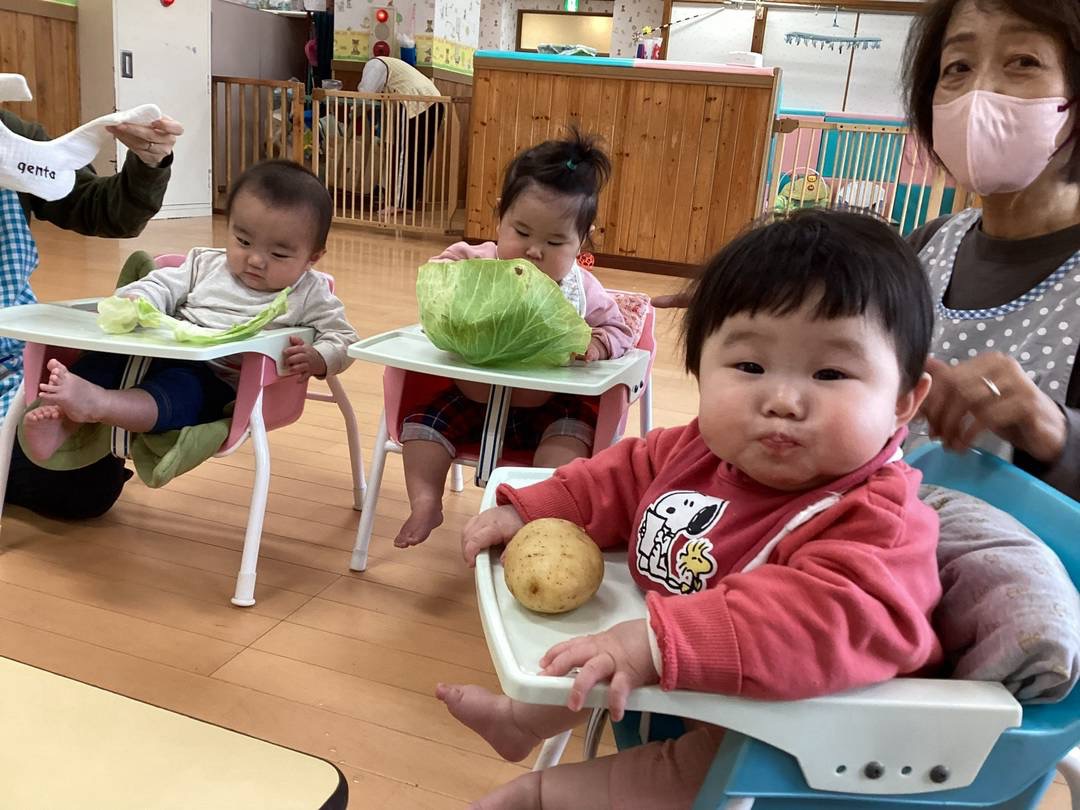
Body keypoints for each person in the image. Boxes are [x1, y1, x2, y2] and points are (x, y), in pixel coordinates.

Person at [437, 209, 943, 810]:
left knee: (688, 770)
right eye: (750, 367)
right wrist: (536, 509)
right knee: (586, 654)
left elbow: (824, 619)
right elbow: (621, 476)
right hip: (697, 687)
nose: (782, 400)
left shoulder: (878, 521)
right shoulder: (701, 449)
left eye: (831, 373)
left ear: (904, 401)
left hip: (807, 735)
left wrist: (656, 641)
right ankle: (520, 722)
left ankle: (540, 797)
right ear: (700, 369)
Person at [19, 160, 357, 462]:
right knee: (106, 357)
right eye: (243, 241)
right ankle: (60, 422)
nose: (255, 259)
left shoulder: (309, 292)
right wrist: (139, 299)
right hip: (156, 353)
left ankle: (100, 404)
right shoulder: (203, 263)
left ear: (313, 257)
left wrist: (320, 358)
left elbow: (344, 338)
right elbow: (162, 283)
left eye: (279, 254)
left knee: (179, 392)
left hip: (218, 379)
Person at [395, 130, 633, 548]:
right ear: (500, 217)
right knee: (420, 428)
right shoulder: (479, 262)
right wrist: (454, 277)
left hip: (548, 407)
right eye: (521, 232)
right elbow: (438, 272)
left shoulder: (581, 289)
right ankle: (426, 501)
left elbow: (620, 330)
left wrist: (596, 344)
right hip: (472, 397)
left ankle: (529, 513)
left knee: (569, 444)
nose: (534, 251)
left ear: (581, 241)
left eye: (555, 242)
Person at [901, 0, 1080, 501]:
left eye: (1023, 61)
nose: (980, 92)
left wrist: (1055, 432)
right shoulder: (923, 248)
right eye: (957, 67)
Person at [0, 104, 183, 518]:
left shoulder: (11, 136)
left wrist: (148, 163)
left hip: (11, 359)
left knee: (87, 485)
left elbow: (102, 208)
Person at [357, 56, 444, 217]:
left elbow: (365, 93)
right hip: (435, 101)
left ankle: (397, 204)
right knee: (419, 157)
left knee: (406, 154)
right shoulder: (393, 66)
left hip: (414, 102)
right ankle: (408, 203)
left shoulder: (375, 64)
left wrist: (353, 111)